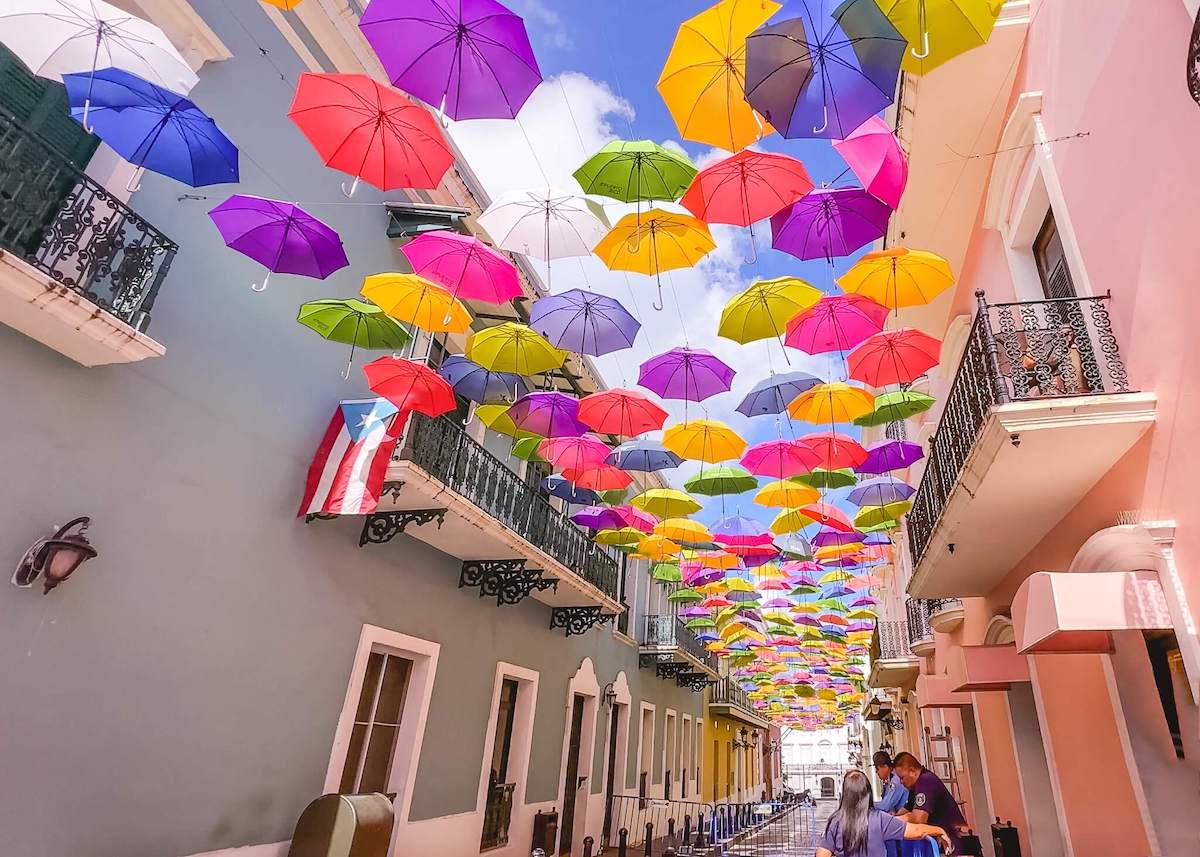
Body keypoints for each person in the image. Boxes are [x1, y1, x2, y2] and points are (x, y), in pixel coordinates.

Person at [815, 770, 952, 857]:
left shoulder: (835, 821)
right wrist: (939, 830)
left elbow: (822, 854)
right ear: (867, 793)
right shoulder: (879, 819)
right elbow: (916, 830)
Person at [893, 752, 968, 854]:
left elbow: (918, 819)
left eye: (902, 777)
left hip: (951, 839)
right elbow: (905, 810)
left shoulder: (925, 782)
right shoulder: (915, 787)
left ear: (912, 771)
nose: (901, 782)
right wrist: (891, 818)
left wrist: (891, 821)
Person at [873, 750, 910, 814]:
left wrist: (868, 804)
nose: (876, 772)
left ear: (885, 766)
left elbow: (885, 806)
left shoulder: (896, 780)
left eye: (877, 768)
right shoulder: (890, 779)